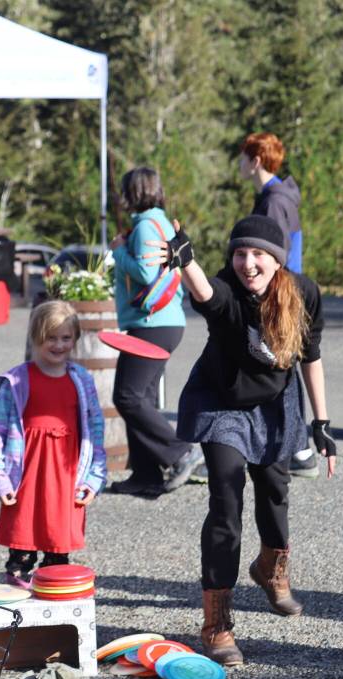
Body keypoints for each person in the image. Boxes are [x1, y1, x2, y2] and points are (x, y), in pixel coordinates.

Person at [146, 214, 336, 667]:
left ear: (277, 261)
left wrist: (322, 423)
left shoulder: (303, 293)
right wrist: (184, 260)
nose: (247, 263)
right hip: (222, 404)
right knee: (226, 497)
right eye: (239, 253)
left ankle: (270, 569)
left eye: (257, 255)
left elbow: (311, 357)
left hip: (275, 405)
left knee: (274, 491)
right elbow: (207, 295)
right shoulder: (228, 290)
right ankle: (216, 623)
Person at [0, 300, 108, 589]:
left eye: (66, 338)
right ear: (36, 337)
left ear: (75, 339)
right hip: (25, 477)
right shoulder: (17, 380)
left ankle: (52, 610)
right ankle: (18, 609)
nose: (59, 345)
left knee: (57, 550)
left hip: (65, 478)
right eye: (51, 337)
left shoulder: (81, 380)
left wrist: (93, 479)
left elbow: (95, 430)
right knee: (21, 548)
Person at [107, 167, 203, 497]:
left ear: (131, 192)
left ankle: (181, 452)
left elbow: (147, 273)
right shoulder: (161, 222)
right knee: (141, 396)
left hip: (152, 323)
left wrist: (119, 251)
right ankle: (146, 475)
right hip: (162, 322)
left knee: (127, 396)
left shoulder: (147, 226)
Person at [238, 133, 317, 479]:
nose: (238, 163)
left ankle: (298, 448)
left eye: (242, 157)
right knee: (286, 364)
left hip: (281, 294)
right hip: (284, 291)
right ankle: (298, 447)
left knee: (283, 366)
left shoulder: (273, 202)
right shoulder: (276, 196)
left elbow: (275, 254)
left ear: (255, 160)